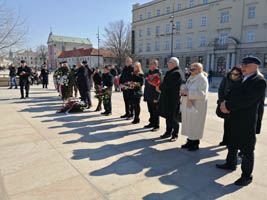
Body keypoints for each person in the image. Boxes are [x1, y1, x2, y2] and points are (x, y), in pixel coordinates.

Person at [216, 56, 266, 186]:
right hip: (233, 118)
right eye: (242, 64)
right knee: (232, 143)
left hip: (246, 121)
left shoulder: (259, 81)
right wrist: (223, 103)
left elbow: (247, 100)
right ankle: (230, 164)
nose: (243, 67)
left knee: (247, 149)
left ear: (255, 66)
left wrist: (228, 106)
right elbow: (230, 93)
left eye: (246, 65)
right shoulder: (241, 79)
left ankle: (246, 176)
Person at [180, 62, 209, 151]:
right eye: (190, 69)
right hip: (188, 105)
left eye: (193, 69)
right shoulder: (191, 77)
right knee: (189, 124)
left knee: (195, 125)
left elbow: (202, 94)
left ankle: (195, 144)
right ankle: (189, 141)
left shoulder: (202, 79)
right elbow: (188, 87)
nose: (190, 71)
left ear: (198, 70)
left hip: (197, 106)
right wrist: (183, 90)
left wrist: (188, 93)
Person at [157, 57, 183, 142]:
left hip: (173, 100)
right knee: (168, 117)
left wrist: (160, 87)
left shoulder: (177, 73)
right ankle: (168, 132)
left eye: (169, 62)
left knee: (174, 118)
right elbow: (164, 83)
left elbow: (168, 85)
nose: (168, 64)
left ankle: (175, 134)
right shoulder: (170, 72)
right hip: (167, 98)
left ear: (174, 64)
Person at [217, 66, 243, 146]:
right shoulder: (226, 78)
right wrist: (222, 102)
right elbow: (221, 89)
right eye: (233, 73)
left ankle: (233, 142)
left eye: (236, 74)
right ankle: (225, 140)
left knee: (235, 126)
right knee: (226, 124)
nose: (234, 75)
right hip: (225, 104)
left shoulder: (242, 81)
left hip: (235, 106)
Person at [143, 59, 161, 132]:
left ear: (156, 65)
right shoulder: (148, 72)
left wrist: (156, 97)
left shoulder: (158, 73)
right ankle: (151, 122)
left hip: (154, 95)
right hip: (148, 94)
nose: (150, 65)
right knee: (150, 110)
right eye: (149, 64)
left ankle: (156, 125)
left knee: (155, 111)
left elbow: (158, 86)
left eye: (151, 64)